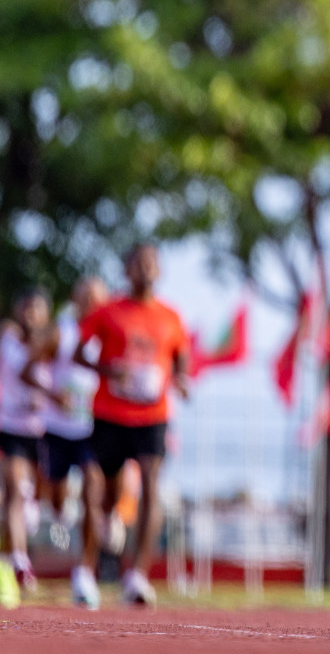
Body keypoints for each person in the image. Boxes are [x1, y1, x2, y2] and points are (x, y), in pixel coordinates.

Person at [73, 243, 190, 607]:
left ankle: (138, 576)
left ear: (160, 270)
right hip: (110, 413)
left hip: (152, 416)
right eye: (138, 263)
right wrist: (109, 371)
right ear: (126, 270)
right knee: (100, 493)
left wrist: (180, 380)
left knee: (152, 486)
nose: (145, 269)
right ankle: (86, 573)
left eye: (151, 263)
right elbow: (79, 353)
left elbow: (181, 360)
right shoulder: (108, 312)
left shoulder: (171, 317)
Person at [30, 276, 107, 608]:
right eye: (85, 296)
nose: (91, 303)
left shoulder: (108, 334)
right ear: (75, 299)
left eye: (97, 297)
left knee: (93, 487)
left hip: (92, 429)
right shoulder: (61, 331)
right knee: (57, 500)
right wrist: (51, 394)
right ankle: (63, 510)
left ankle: (85, 574)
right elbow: (28, 367)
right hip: (57, 429)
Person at [0, 289, 53, 596]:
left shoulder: (52, 344)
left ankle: (30, 512)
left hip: (43, 429)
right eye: (27, 307)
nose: (31, 314)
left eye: (38, 308)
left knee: (44, 495)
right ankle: (19, 560)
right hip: (10, 426)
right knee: (14, 489)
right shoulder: (6, 339)